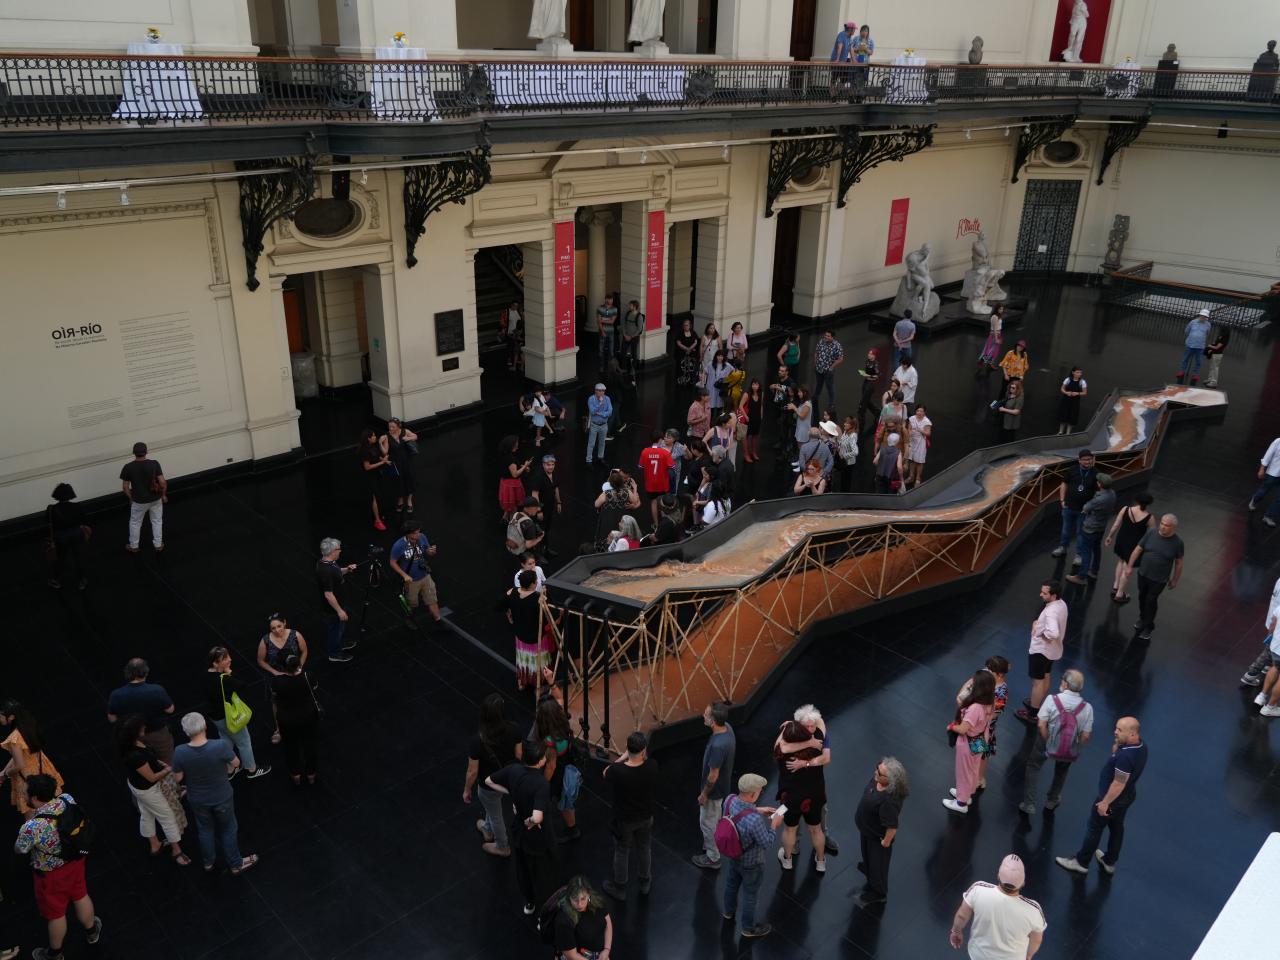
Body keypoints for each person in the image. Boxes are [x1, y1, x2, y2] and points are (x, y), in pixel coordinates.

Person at [13, 775, 102, 960]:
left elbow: (20, 850)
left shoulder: (32, 827)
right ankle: (92, 931)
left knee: (56, 914)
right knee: (80, 895)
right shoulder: (67, 799)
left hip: (51, 876)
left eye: (27, 792)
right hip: (75, 863)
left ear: (35, 798)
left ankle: (54, 954)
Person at [1055, 717, 1148, 876]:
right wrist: (1118, 747)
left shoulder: (1126, 758)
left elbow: (1118, 784)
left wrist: (1105, 803)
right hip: (1125, 800)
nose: (1115, 732)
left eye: (1120, 730)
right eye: (1116, 728)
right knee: (1116, 826)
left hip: (1111, 802)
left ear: (1132, 734)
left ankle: (1081, 862)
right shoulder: (1141, 746)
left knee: (1095, 828)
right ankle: (1109, 861)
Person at [171, 712, 258, 875]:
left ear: (186, 732)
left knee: (204, 829)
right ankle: (235, 864)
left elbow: (178, 778)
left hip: (197, 799)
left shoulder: (180, 752)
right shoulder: (219, 746)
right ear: (204, 726)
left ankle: (208, 862)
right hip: (222, 796)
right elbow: (236, 763)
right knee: (228, 829)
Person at [487, 739, 559, 916]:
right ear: (541, 761)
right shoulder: (541, 784)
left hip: (519, 832)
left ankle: (529, 902)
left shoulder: (513, 770)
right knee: (544, 872)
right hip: (539, 837)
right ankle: (546, 910)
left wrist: (511, 792)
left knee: (523, 869)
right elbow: (537, 817)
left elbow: (489, 781)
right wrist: (530, 822)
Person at [117, 715, 189, 864]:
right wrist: (167, 769)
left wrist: (158, 763)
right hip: (148, 790)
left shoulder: (130, 745)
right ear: (135, 732)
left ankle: (154, 844)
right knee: (168, 817)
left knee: (146, 813)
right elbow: (151, 777)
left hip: (137, 787)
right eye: (141, 727)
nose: (144, 728)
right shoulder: (135, 756)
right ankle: (177, 851)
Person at [1020, 669, 1093, 816]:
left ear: (1065, 684)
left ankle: (1029, 804)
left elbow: (1041, 724)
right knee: (1061, 771)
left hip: (1046, 739)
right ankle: (1052, 799)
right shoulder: (1087, 708)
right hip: (1069, 745)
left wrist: (1048, 740)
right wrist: (1075, 745)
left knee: (1033, 767)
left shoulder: (1052, 700)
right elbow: (1085, 736)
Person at [721, 773, 784, 939]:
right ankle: (748, 929)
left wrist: (757, 808)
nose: (761, 793)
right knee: (750, 895)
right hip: (752, 864)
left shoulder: (729, 800)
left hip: (733, 856)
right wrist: (774, 825)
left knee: (731, 884)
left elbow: (738, 810)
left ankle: (728, 912)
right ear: (752, 795)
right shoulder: (755, 821)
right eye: (759, 791)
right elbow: (767, 843)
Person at [949, 855, 1046, 958]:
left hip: (979, 955)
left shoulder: (978, 889)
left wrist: (956, 931)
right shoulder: (1034, 910)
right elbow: (1036, 939)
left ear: (998, 876)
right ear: (1023, 883)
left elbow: (961, 916)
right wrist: (1028, 956)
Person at [772, 705, 830, 873]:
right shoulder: (818, 738)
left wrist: (789, 725)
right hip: (815, 793)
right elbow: (821, 722)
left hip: (792, 796)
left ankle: (788, 859)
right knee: (816, 829)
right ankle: (820, 861)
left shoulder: (782, 749)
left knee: (790, 829)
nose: (811, 728)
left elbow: (780, 746)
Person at [601, 731, 658, 899]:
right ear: (643, 751)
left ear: (627, 748)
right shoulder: (652, 766)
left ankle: (619, 888)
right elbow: (645, 761)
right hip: (646, 817)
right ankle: (645, 881)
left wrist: (622, 757)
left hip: (625, 820)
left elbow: (606, 772)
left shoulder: (618, 771)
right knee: (644, 848)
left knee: (622, 851)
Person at [466, 693, 521, 858]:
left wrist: (466, 789)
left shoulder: (477, 741)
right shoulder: (514, 728)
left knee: (496, 814)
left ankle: (502, 846)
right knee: (493, 806)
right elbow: (519, 755)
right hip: (509, 779)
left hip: (488, 784)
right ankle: (488, 829)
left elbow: (473, 771)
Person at [206, 646, 270, 780]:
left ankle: (230, 769)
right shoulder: (224, 680)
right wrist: (229, 672)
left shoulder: (207, 675)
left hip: (215, 718)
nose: (230, 659)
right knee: (244, 742)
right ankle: (251, 769)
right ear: (216, 663)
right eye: (225, 659)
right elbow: (242, 685)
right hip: (228, 717)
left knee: (226, 739)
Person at [854, 757, 908, 905]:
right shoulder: (878, 781)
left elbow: (892, 826)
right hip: (867, 830)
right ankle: (870, 872)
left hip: (877, 839)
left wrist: (885, 842)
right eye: (877, 768)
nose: (875, 772)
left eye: (880, 772)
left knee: (878, 866)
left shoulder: (889, 801)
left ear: (890, 780)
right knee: (869, 858)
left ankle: (879, 892)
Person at [1015, 581, 1068, 724]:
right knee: (1046, 675)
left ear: (1053, 595)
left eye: (1044, 593)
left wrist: (1039, 630)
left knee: (1037, 682)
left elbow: (1053, 632)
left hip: (1041, 651)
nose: (1041, 595)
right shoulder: (1061, 604)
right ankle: (1037, 701)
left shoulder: (1051, 612)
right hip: (1053, 650)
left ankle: (1032, 713)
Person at [955, 656, 1009, 793]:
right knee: (972, 758)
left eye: (990, 670)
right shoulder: (984, 679)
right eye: (986, 668)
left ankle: (978, 779)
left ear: (999, 674)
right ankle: (970, 785)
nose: (986, 671)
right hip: (973, 726)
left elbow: (992, 714)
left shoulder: (1001, 692)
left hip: (982, 730)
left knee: (981, 755)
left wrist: (970, 708)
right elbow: (963, 692)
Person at [943, 670, 995, 814]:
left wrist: (952, 726)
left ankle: (961, 802)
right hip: (980, 739)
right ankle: (966, 794)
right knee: (973, 768)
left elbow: (963, 729)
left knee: (963, 771)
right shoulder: (990, 702)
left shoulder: (975, 708)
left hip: (967, 742)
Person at [1, 701, 63, 819]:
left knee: (32, 817)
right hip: (42, 769)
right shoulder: (28, 726)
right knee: (51, 805)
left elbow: (19, 764)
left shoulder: (14, 738)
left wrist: (5, 774)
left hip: (26, 776)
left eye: (1, 715)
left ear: (12, 717)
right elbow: (21, 755)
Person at [106, 657, 176, 762]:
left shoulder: (116, 695)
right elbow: (170, 710)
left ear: (127, 673)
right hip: (157, 733)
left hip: (132, 737)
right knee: (167, 759)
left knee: (141, 763)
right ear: (146, 672)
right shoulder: (156, 690)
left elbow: (112, 718)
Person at [692, 701, 736, 870]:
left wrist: (704, 794)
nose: (703, 715)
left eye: (706, 714)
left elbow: (713, 775)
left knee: (707, 823)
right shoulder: (728, 729)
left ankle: (713, 857)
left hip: (713, 791)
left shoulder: (718, 746)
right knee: (714, 818)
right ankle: (712, 844)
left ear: (713, 721)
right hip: (722, 787)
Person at [1128, 513, 1184, 641]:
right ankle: (1143, 618)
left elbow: (1179, 562)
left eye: (1166, 525)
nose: (1163, 527)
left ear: (1173, 527)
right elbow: (1138, 549)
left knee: (1151, 600)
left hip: (1159, 579)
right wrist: (1129, 566)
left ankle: (1148, 627)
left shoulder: (1178, 543)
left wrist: (1175, 579)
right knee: (1142, 597)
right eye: (1162, 523)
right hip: (1143, 573)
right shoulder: (1151, 533)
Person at [535, 691, 581, 843]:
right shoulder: (563, 724)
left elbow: (551, 767)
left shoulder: (550, 741)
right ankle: (572, 829)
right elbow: (560, 698)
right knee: (566, 802)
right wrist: (551, 682)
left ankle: (539, 828)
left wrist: (542, 784)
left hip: (556, 775)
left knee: (546, 802)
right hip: (567, 766)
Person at [271, 654, 319, 786]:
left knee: (290, 748)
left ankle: (295, 775)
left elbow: (275, 703)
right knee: (310, 746)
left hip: (287, 721)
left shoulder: (277, 682)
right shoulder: (308, 676)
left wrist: (277, 726)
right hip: (308, 717)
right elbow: (314, 691)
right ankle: (311, 775)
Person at [390, 519, 443, 626]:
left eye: (418, 531)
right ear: (408, 534)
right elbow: (392, 562)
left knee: (432, 599)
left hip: (425, 575)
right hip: (411, 580)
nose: (418, 534)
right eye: (415, 533)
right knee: (412, 603)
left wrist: (431, 551)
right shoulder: (398, 545)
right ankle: (410, 618)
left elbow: (427, 551)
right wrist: (404, 575)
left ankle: (438, 620)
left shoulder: (422, 537)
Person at [1104, 491, 1154, 604]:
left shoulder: (1126, 509)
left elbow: (1116, 524)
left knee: (1121, 561)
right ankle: (1120, 594)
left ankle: (1116, 585)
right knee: (1128, 566)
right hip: (1135, 545)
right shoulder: (1149, 518)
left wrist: (1109, 536)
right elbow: (1151, 535)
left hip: (1122, 540)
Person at [1067, 473, 1115, 585]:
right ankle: (1094, 571)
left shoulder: (1099, 499)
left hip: (1090, 527)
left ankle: (1081, 576)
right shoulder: (1112, 494)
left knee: (1086, 552)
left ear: (1100, 484)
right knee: (1097, 549)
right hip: (1101, 527)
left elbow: (1086, 507)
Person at [317, 537, 358, 664]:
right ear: (332, 551)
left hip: (340, 602)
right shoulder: (326, 571)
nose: (340, 551)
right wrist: (339, 611)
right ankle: (334, 653)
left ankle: (340, 641)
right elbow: (328, 594)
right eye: (339, 549)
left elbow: (337, 572)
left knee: (340, 627)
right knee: (335, 629)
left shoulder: (329, 562)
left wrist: (347, 569)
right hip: (333, 609)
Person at [1052, 449, 1099, 562]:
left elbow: (1098, 491)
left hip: (1084, 510)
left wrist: (1091, 506)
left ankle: (1079, 554)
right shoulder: (1072, 470)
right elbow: (1064, 484)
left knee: (1081, 533)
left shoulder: (1096, 473)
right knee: (1065, 529)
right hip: (1068, 507)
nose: (1087, 462)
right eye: (1085, 459)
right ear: (1079, 460)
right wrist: (1062, 500)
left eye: (1089, 459)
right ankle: (1062, 547)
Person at [120, 440, 166, 553]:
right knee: (157, 521)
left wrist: (131, 498)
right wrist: (163, 495)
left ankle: (134, 546)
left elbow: (125, 487)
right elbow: (162, 482)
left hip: (139, 501)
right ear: (146, 452)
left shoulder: (128, 467)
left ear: (133, 453)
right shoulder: (154, 464)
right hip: (155, 499)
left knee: (135, 523)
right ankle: (158, 545)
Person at [507, 569, 549, 690]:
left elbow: (500, 606)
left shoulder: (513, 593)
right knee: (537, 662)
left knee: (523, 660)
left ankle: (523, 681)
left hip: (520, 636)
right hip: (536, 638)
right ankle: (538, 684)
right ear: (532, 584)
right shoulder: (538, 599)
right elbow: (550, 617)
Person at [553, 875, 613, 959]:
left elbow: (608, 922)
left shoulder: (597, 901)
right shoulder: (564, 921)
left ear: (589, 895)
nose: (580, 904)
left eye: (583, 899)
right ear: (569, 897)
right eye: (575, 899)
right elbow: (571, 955)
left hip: (599, 954)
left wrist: (606, 950)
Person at [45, 483, 89, 590]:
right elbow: (84, 520)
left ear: (57, 495)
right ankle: (81, 581)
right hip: (77, 534)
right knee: (78, 557)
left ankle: (55, 580)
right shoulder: (77, 506)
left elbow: (49, 523)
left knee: (61, 559)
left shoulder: (51, 509)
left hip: (61, 537)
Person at [382, 417, 418, 514]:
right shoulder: (387, 436)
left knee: (409, 479)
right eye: (389, 427)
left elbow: (415, 436)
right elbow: (385, 452)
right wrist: (380, 443)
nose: (390, 429)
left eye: (393, 427)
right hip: (396, 462)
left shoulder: (404, 431)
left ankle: (409, 501)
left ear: (398, 426)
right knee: (398, 481)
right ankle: (401, 500)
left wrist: (408, 438)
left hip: (407, 460)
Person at [358, 427, 391, 532]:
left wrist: (384, 460)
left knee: (379, 495)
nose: (375, 437)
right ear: (368, 438)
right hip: (369, 477)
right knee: (374, 498)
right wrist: (382, 462)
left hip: (377, 475)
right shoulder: (364, 451)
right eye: (373, 436)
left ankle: (380, 515)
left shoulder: (373, 446)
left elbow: (377, 456)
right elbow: (367, 467)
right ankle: (377, 520)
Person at [528, 453, 562, 553]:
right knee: (540, 531)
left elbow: (556, 488)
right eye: (548, 464)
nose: (551, 467)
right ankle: (539, 553)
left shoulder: (553, 474)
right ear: (543, 464)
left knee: (546, 529)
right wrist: (538, 510)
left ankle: (546, 550)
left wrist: (559, 502)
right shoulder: (539, 477)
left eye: (552, 464)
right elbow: (535, 494)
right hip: (541, 508)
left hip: (549, 507)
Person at [638, 433, 675, 524]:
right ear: (660, 440)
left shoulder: (645, 451)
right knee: (664, 502)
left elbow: (641, 466)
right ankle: (665, 522)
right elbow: (672, 467)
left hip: (650, 484)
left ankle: (656, 524)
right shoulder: (665, 452)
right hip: (663, 483)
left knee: (654, 502)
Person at [1247, 436, 1280, 528]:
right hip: (1272, 473)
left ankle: (1269, 516)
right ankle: (1255, 500)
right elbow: (1268, 455)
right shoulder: (1278, 441)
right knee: (1264, 490)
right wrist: (1262, 469)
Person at [498, 434, 532, 522]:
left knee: (509, 505)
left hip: (505, 483)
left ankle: (504, 519)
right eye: (516, 443)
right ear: (512, 445)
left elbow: (514, 466)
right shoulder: (510, 459)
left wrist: (523, 466)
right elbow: (515, 474)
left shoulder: (505, 455)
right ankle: (512, 529)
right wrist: (525, 466)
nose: (517, 445)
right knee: (513, 509)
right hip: (511, 485)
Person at [1176, 307, 1211, 383]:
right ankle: (1182, 371)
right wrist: (1192, 337)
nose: (1203, 317)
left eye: (1205, 316)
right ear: (1200, 315)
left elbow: (1207, 333)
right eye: (1202, 315)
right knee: (1185, 359)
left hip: (1200, 346)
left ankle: (1196, 374)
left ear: (1207, 317)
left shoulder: (1208, 325)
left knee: (1198, 362)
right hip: (1190, 344)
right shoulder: (1193, 322)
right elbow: (1186, 331)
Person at [812, 329, 844, 412]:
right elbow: (816, 352)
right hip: (818, 368)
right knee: (818, 384)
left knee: (829, 386)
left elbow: (840, 359)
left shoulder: (837, 346)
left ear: (832, 337)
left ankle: (831, 402)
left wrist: (831, 367)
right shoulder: (821, 341)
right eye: (825, 335)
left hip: (828, 370)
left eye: (828, 336)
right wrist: (815, 363)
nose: (826, 337)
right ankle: (815, 397)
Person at [507, 498, 546, 563]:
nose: (538, 509)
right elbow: (528, 545)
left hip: (513, 545)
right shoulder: (529, 524)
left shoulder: (516, 514)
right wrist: (539, 538)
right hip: (524, 552)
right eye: (536, 507)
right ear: (531, 508)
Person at [905, 404, 931, 488]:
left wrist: (921, 431)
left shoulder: (926, 421)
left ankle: (918, 478)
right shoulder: (912, 418)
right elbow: (909, 428)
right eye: (918, 411)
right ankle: (911, 476)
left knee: (919, 461)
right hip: (912, 441)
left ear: (924, 412)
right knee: (911, 459)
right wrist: (908, 437)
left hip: (921, 442)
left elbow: (928, 433)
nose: (919, 412)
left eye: (921, 411)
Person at [586, 384, 613, 465]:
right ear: (596, 391)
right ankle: (588, 460)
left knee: (602, 443)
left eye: (603, 391)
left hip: (604, 425)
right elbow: (593, 411)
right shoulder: (591, 399)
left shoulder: (607, 398)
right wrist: (600, 403)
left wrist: (601, 414)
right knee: (591, 443)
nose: (602, 393)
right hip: (594, 425)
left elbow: (610, 412)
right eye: (600, 391)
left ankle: (600, 457)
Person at [1056, 366, 1088, 435]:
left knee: (1072, 416)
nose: (1079, 374)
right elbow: (1062, 389)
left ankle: (1068, 433)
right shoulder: (1068, 379)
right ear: (1073, 372)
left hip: (1075, 402)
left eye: (1080, 373)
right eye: (1077, 372)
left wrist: (1077, 393)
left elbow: (1085, 392)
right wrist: (1066, 392)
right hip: (1066, 400)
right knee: (1064, 415)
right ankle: (1060, 431)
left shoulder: (1082, 382)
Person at [704, 350, 734, 423]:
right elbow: (705, 373)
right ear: (716, 356)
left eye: (721, 356)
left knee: (719, 405)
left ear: (724, 357)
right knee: (710, 405)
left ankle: (718, 422)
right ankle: (709, 422)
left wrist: (727, 381)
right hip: (711, 387)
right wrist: (703, 383)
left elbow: (733, 371)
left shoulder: (727, 365)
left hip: (721, 388)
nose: (720, 358)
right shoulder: (710, 364)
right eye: (718, 356)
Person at [619, 299, 644, 384]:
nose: (629, 306)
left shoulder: (639, 316)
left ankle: (633, 369)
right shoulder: (627, 314)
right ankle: (624, 368)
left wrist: (631, 336)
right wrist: (625, 335)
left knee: (634, 353)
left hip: (634, 337)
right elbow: (624, 325)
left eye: (630, 305)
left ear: (635, 306)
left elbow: (639, 329)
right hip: (626, 336)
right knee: (623, 352)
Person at [674, 317, 701, 393]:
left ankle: (690, 381)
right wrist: (686, 349)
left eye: (687, 325)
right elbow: (678, 343)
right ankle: (682, 382)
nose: (686, 326)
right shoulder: (680, 333)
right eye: (685, 325)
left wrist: (690, 349)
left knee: (690, 368)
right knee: (682, 369)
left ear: (690, 326)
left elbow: (696, 342)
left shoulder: (693, 332)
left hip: (691, 355)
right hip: (682, 354)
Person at [857, 348, 881, 431]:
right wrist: (864, 374)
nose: (869, 355)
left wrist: (869, 376)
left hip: (871, 383)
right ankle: (877, 411)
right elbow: (866, 370)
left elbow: (877, 375)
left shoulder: (876, 364)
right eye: (869, 353)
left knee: (864, 399)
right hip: (866, 381)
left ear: (874, 355)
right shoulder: (867, 361)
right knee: (866, 399)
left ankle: (861, 413)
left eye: (871, 354)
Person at [741, 378, 764, 464]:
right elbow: (740, 406)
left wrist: (761, 415)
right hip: (748, 418)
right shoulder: (747, 394)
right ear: (751, 385)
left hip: (757, 418)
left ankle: (753, 452)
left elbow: (761, 405)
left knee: (755, 436)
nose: (755, 386)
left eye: (756, 384)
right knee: (747, 436)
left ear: (759, 386)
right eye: (753, 384)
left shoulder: (761, 394)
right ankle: (746, 454)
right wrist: (745, 416)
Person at [835, 416, 860, 492]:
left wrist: (844, 455)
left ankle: (845, 496)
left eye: (847, 423)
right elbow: (842, 442)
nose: (844, 424)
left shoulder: (853, 436)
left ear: (851, 425)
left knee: (846, 481)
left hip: (848, 463)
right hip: (844, 462)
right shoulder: (845, 432)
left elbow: (855, 452)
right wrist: (838, 444)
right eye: (845, 422)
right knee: (843, 479)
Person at [977, 304, 1004, 369]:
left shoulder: (998, 316)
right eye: (1000, 309)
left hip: (998, 334)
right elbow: (994, 328)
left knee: (995, 351)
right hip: (994, 335)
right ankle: (982, 360)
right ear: (996, 309)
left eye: (1002, 309)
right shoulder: (995, 317)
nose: (1001, 310)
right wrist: (996, 338)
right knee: (990, 350)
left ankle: (990, 363)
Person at [596, 295, 618, 364]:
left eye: (612, 300)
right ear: (606, 300)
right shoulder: (600, 308)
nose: (611, 301)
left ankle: (610, 364)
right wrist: (602, 331)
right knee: (601, 349)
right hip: (602, 330)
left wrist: (602, 320)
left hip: (611, 331)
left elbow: (612, 321)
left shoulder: (615, 309)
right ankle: (601, 364)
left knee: (611, 349)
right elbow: (598, 322)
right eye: (609, 300)